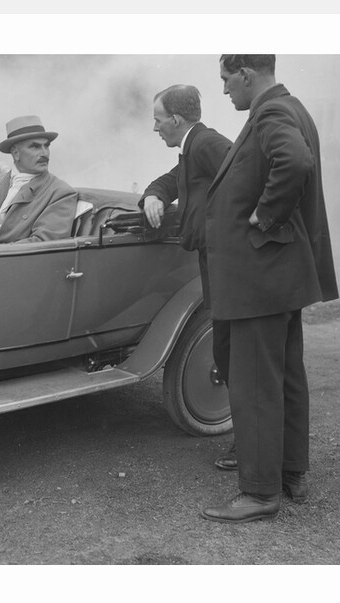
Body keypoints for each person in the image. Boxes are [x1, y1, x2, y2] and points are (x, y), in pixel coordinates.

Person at [201, 55, 338, 524]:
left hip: (260, 275)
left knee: (256, 383)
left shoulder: (272, 112)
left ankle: (260, 493)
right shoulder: (290, 107)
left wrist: (266, 214)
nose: (223, 91)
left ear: (245, 73)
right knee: (284, 377)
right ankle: (290, 472)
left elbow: (294, 161)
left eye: (225, 80)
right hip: (277, 273)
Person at [138, 84, 232, 396]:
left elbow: (246, 178)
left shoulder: (206, 143)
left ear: (176, 120)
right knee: (225, 338)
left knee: (231, 341)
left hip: (226, 258)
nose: (155, 127)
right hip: (214, 257)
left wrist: (221, 228)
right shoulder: (193, 147)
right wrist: (154, 196)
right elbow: (170, 180)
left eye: (158, 119)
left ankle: (245, 430)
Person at [0, 115, 77, 243]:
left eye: (46, 146)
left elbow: (42, 243)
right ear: (16, 153)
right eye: (35, 147)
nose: (44, 153)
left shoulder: (60, 192)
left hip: (11, 259)